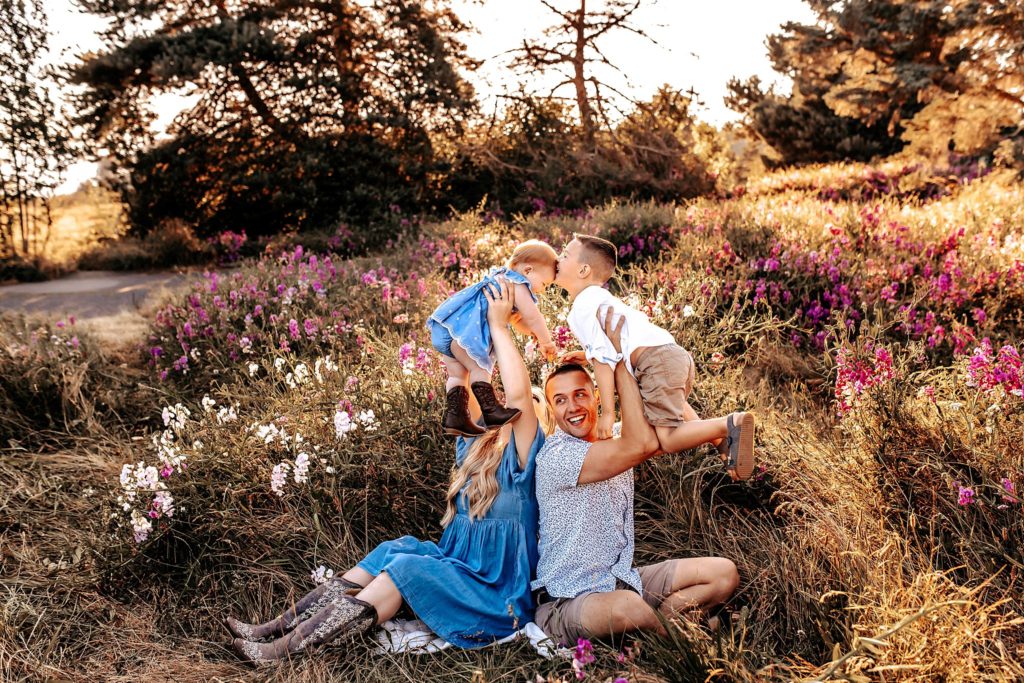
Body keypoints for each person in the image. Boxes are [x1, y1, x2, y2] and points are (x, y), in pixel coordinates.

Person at [228, 280, 553, 663]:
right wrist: (470, 322)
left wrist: (500, 327)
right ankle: (277, 628)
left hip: (495, 597)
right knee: (394, 549)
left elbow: (517, 398)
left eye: (522, 413)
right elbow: (463, 383)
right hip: (459, 570)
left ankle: (283, 652)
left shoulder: (523, 463)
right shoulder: (474, 448)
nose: (508, 412)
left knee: (408, 567)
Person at [532, 307, 739, 646]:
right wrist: (615, 361)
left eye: (581, 394)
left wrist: (617, 357)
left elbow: (676, 425)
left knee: (723, 574)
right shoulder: (556, 456)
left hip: (622, 580)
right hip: (564, 603)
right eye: (560, 400)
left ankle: (654, 633)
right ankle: (682, 643)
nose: (572, 407)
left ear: (597, 396)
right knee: (627, 607)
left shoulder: (617, 436)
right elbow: (638, 442)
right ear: (552, 411)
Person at [556, 233, 754, 480]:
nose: (558, 259)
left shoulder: (581, 306)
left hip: (654, 362)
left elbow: (603, 360)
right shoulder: (599, 298)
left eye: (565, 255)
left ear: (584, 269)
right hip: (669, 355)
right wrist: (587, 355)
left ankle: (730, 423)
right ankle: (723, 444)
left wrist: (608, 412)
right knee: (673, 409)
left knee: (668, 439)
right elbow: (609, 345)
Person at [428, 239, 559, 437]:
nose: (542, 290)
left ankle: (457, 418)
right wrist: (547, 341)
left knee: (457, 375)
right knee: (479, 367)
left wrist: (532, 333)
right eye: (544, 283)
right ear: (528, 270)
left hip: (448, 328)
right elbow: (533, 317)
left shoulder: (501, 277)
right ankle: (491, 411)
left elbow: (517, 321)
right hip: (464, 333)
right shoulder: (518, 283)